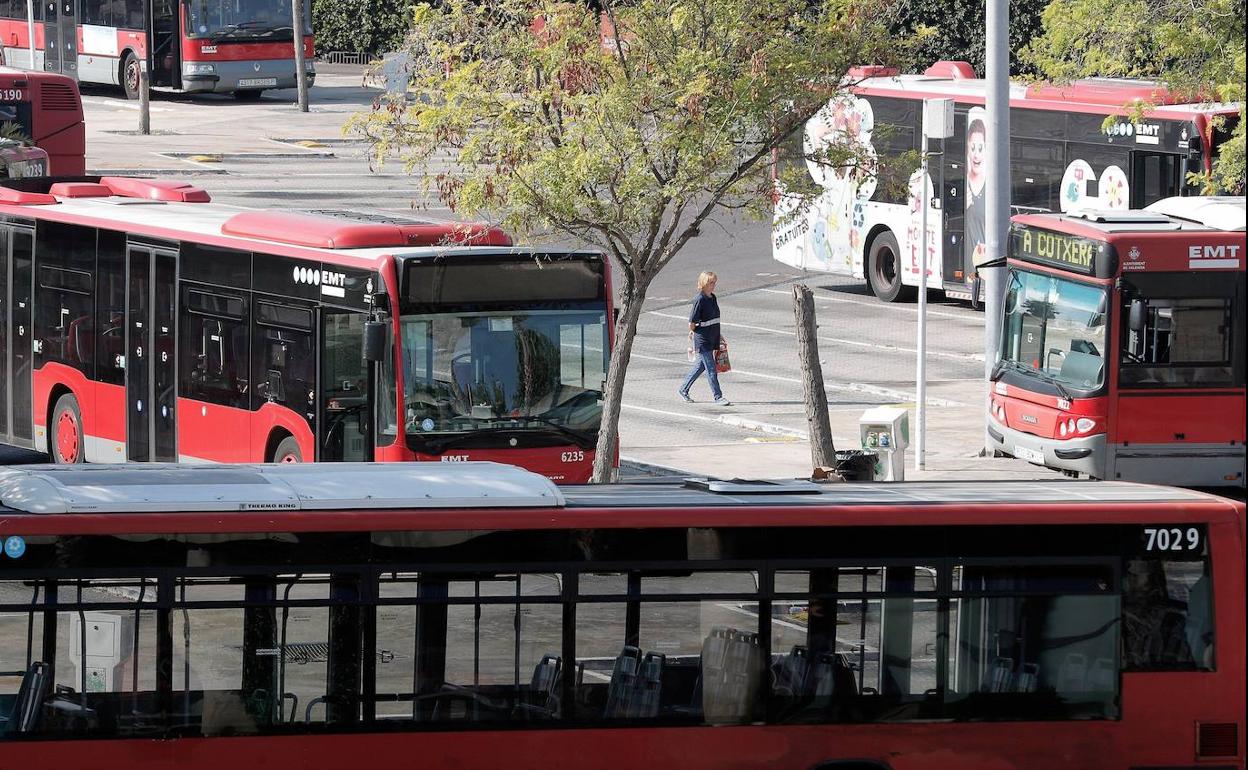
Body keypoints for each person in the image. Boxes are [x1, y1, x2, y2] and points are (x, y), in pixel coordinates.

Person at [678, 271, 730, 406]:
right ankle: (718, 396)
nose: (713, 285)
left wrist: (719, 335)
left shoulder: (713, 298)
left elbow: (714, 319)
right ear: (704, 283)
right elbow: (692, 322)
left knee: (700, 366)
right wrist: (692, 332)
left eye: (714, 282)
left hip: (712, 337)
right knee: (711, 369)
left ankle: (683, 389)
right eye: (711, 282)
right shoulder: (699, 299)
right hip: (703, 340)